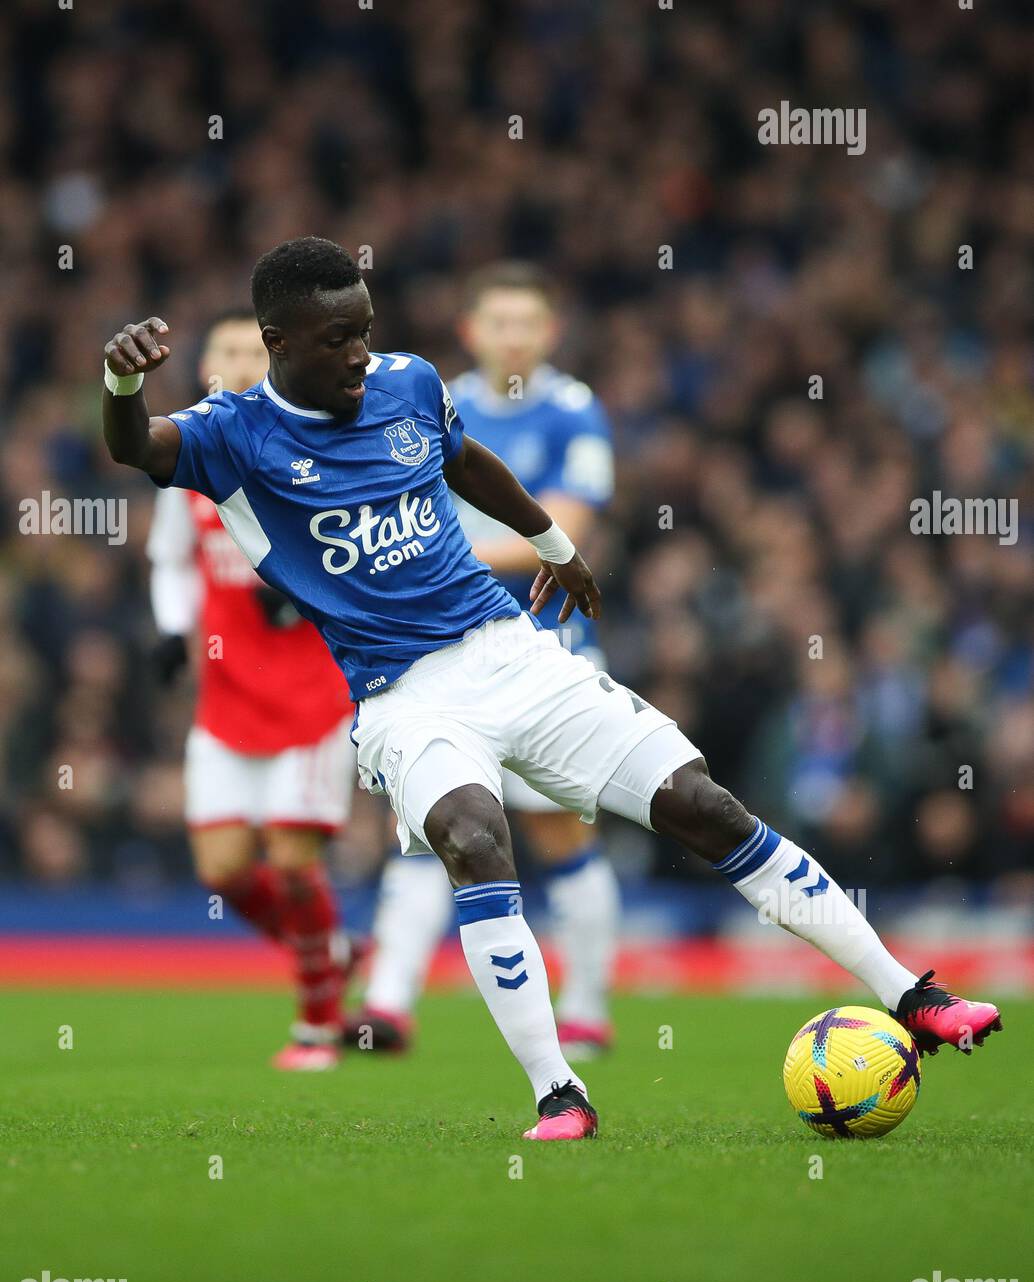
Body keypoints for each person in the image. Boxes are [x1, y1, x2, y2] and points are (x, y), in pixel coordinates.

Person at [102, 237, 1001, 1142]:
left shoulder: (407, 382)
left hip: (509, 651)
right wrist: (121, 384)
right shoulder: (232, 433)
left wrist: (553, 544)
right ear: (279, 342)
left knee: (704, 807)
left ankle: (911, 994)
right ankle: (559, 1092)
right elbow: (136, 444)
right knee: (470, 835)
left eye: (365, 331)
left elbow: (464, 460)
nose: (359, 355)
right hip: (403, 697)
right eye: (337, 339)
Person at [350, 263, 620, 1059]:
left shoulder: (576, 413)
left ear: (550, 333)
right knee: (428, 823)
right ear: (471, 331)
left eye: (526, 322)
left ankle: (589, 1009)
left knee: (560, 835)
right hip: (439, 649)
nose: (513, 336)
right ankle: (388, 1005)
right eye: (498, 322)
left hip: (541, 641)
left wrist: (430, 558)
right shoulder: (430, 402)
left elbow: (567, 529)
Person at [145, 308, 363, 1072]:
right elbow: (171, 559)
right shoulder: (191, 458)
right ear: (206, 363)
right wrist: (174, 629)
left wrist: (303, 590)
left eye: (251, 349)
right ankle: (328, 947)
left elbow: (361, 556)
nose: (238, 362)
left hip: (311, 700)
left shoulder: (315, 451)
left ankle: (319, 1026)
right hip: (227, 700)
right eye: (225, 350)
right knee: (224, 871)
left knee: (297, 864)